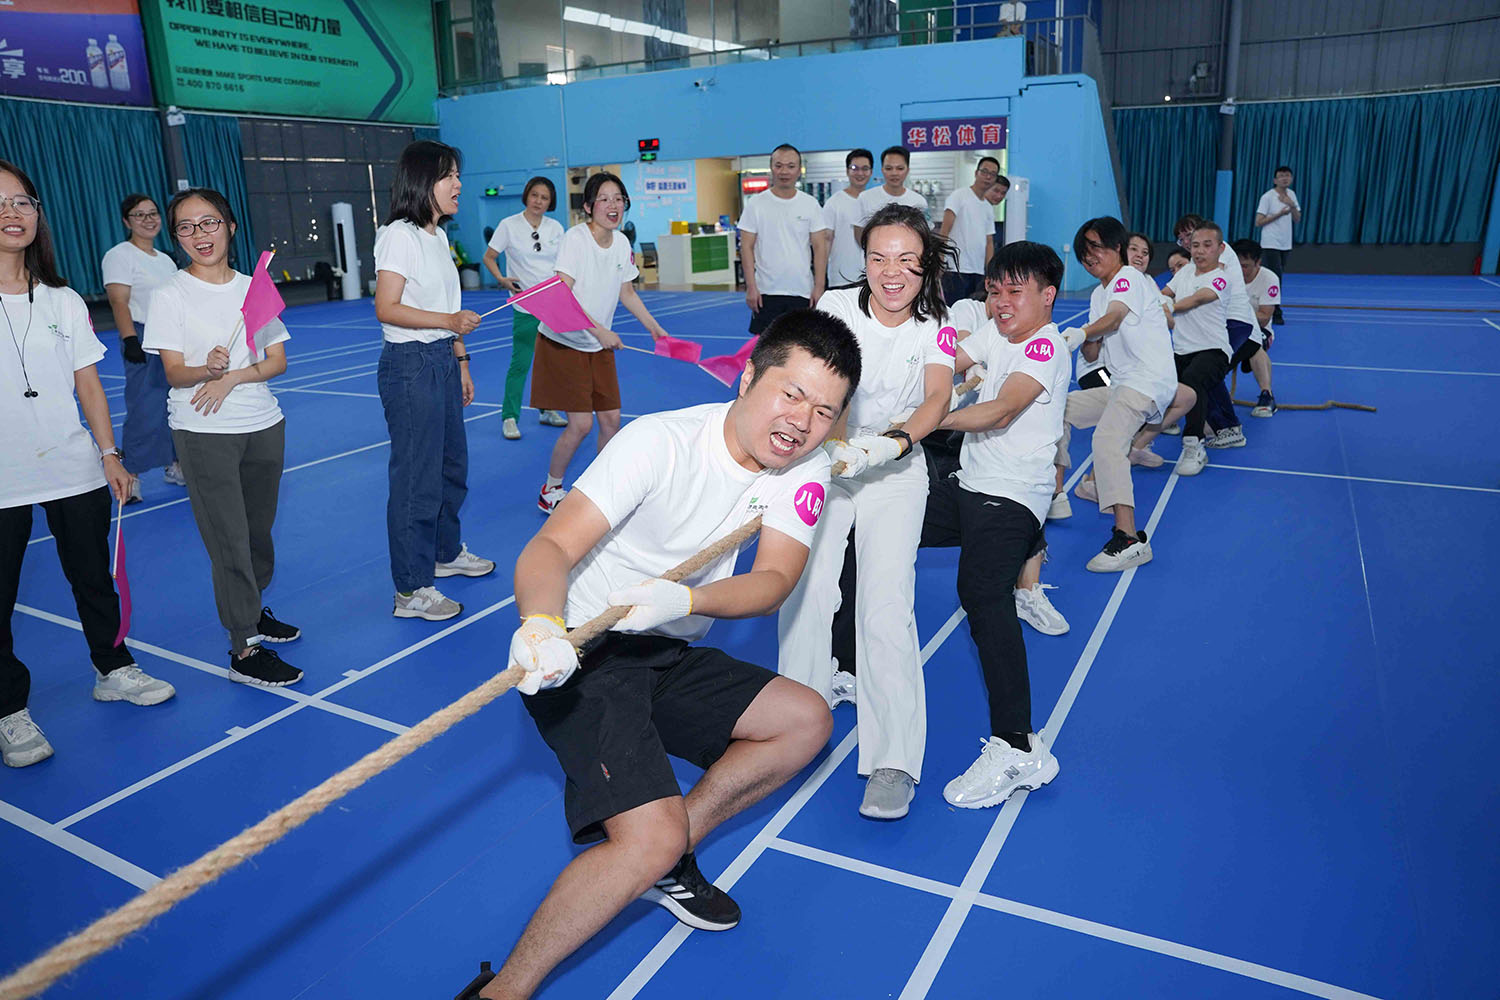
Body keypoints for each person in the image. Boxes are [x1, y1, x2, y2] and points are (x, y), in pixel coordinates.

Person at [477, 313, 861, 1000]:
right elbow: (552, 546)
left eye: (825, 410)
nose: (802, 421)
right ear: (748, 376)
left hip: (665, 642)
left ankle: (670, 853)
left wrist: (686, 600)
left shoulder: (802, 471)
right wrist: (540, 625)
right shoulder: (658, 442)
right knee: (643, 839)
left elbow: (774, 580)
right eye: (792, 393)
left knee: (804, 720)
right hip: (582, 652)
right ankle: (501, 991)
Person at [778, 203, 955, 821]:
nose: (891, 272)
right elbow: (832, 385)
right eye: (879, 258)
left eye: (906, 260)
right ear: (864, 261)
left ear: (925, 264)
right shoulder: (835, 306)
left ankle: (893, 760)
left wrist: (893, 443)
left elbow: (938, 396)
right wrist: (836, 446)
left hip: (895, 470)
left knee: (884, 608)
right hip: (828, 461)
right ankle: (791, 728)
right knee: (806, 592)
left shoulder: (937, 322)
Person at [0, 159, 175, 767]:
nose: (11, 213)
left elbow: (88, 385)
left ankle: (113, 667)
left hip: (72, 466)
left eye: (22, 202)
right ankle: (8, 708)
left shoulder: (63, 299)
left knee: (94, 578)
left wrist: (109, 454)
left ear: (37, 214)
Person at [922, 242, 1069, 807]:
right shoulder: (995, 332)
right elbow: (951, 356)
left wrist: (923, 422)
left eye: (1015, 290)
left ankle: (1019, 748)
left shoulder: (1044, 345)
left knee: (983, 593)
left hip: (1012, 495)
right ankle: (851, 663)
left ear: (1047, 296)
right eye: (994, 289)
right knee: (873, 521)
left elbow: (1002, 408)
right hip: (971, 483)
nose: (1001, 301)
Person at [143, 187, 302, 686]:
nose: (199, 234)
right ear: (177, 237)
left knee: (257, 535)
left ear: (230, 227)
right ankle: (244, 648)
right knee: (228, 540)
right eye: (186, 227)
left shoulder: (254, 289)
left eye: (209, 222)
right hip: (203, 430)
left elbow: (276, 360)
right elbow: (173, 373)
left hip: (263, 424)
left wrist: (231, 376)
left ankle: (254, 611)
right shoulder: (169, 294)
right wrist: (204, 370)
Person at [374, 140, 496, 624]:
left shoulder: (438, 237)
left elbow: (448, 306)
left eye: (458, 175)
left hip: (442, 360)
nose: (458, 184)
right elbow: (387, 307)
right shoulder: (398, 235)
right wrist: (448, 323)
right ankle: (410, 589)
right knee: (416, 481)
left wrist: (461, 360)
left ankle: (444, 554)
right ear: (423, 181)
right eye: (449, 175)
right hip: (411, 365)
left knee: (451, 468)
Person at [533, 172, 669, 514]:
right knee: (581, 425)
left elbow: (627, 292)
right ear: (589, 206)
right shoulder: (576, 240)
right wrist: (599, 332)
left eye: (618, 199)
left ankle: (599, 489)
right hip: (565, 342)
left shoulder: (621, 243)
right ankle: (551, 489)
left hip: (597, 345)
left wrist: (654, 327)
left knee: (611, 420)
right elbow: (562, 295)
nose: (613, 205)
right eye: (605, 199)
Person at [1054, 216, 1181, 572]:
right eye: (1084, 252)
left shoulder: (1129, 277)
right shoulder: (1099, 293)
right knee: (1058, 409)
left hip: (1147, 380)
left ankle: (1129, 539)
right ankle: (1056, 493)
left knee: (1107, 441)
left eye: (1096, 247)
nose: (1089, 257)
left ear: (1117, 248)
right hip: (1122, 383)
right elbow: (1094, 350)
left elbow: (1113, 318)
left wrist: (1082, 332)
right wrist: (1084, 339)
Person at [101, 193, 185, 502]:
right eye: (140, 215)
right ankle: (131, 477)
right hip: (141, 337)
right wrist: (130, 340)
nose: (148, 220)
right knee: (144, 408)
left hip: (170, 338)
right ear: (127, 221)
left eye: (153, 213)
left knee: (175, 404)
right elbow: (118, 301)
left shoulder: (165, 260)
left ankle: (176, 465)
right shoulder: (119, 256)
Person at [482, 177, 568, 440]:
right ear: (526, 196)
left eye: (544, 197)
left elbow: (564, 264)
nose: (538, 201)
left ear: (550, 202)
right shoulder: (508, 225)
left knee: (551, 362)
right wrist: (501, 279)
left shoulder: (556, 228)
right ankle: (509, 417)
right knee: (520, 363)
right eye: (535, 195)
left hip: (552, 305)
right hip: (525, 305)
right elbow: (489, 257)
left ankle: (547, 409)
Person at [1172, 213, 1252, 449]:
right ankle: (1223, 426)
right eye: (1183, 240)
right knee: (1202, 374)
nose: (1188, 243)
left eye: (1190, 235)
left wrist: (1168, 306)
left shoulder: (1216, 255)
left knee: (1204, 374)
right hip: (1211, 324)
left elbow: (1202, 294)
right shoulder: (1191, 266)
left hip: (1233, 320)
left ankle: (1223, 427)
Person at [1162, 221, 1234, 476]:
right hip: (1181, 351)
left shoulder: (1221, 278)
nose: (1200, 251)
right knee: (1156, 380)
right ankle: (1142, 440)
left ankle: (1194, 445)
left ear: (1220, 248)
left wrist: (1167, 306)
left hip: (1213, 350)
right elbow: (1165, 292)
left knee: (1193, 383)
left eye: (1207, 245)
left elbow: (1196, 299)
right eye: (1195, 245)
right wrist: (1160, 300)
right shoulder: (1184, 272)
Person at [739, 143, 830, 334]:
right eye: (778, 165)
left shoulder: (810, 204)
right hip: (766, 292)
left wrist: (819, 286)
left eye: (791, 166)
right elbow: (746, 247)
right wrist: (751, 287)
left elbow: (820, 247)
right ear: (771, 168)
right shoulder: (756, 204)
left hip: (802, 291)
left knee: (801, 345)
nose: (784, 171)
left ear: (799, 169)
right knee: (766, 347)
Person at [938, 156, 999, 303]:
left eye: (992, 174)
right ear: (976, 173)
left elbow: (989, 242)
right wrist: (940, 261)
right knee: (953, 312)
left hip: (978, 272)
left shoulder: (988, 207)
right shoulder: (959, 196)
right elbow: (944, 231)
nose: (988, 177)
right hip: (955, 269)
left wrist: (989, 271)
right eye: (984, 172)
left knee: (975, 312)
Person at [1232, 238, 1280, 416]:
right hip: (1229, 327)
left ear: (1258, 262)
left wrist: (1240, 315)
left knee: (1253, 346)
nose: (1240, 270)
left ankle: (1267, 395)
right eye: (1237, 265)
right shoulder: (1227, 276)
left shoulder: (1269, 278)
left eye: (1245, 266)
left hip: (1260, 330)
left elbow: (1265, 317)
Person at [853, 146, 928, 244]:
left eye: (900, 168)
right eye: (888, 168)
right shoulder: (865, 198)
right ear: (882, 170)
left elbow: (924, 235)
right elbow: (858, 233)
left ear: (907, 170)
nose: (894, 173)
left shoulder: (919, 201)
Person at [1254, 166, 1299, 325]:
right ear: (1275, 180)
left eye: (1287, 175)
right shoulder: (1267, 197)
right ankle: (1275, 312)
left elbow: (1297, 218)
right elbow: (1258, 222)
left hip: (1285, 244)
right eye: (1281, 176)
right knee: (1275, 278)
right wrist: (1280, 214)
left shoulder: (1291, 195)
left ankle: (1267, 307)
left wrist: (1291, 205)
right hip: (1270, 243)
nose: (1285, 178)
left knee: (1277, 277)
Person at [823, 148, 873, 288]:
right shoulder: (834, 202)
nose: (860, 173)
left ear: (871, 172)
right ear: (847, 171)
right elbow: (826, 241)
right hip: (841, 279)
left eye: (865, 169)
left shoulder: (875, 202)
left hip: (871, 279)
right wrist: (820, 279)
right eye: (854, 168)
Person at [986, 174, 1012, 245]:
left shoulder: (988, 209)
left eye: (1003, 193)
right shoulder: (978, 207)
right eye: (996, 191)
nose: (999, 196)